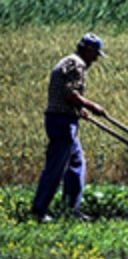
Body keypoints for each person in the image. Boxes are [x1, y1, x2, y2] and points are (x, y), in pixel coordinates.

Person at [31, 33, 107, 223]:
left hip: (62, 118)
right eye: (95, 54)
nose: (96, 59)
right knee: (55, 167)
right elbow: (69, 93)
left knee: (76, 164)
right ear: (88, 51)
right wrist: (92, 106)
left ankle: (71, 209)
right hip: (62, 123)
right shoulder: (76, 65)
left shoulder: (68, 62)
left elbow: (65, 95)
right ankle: (39, 210)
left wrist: (79, 110)